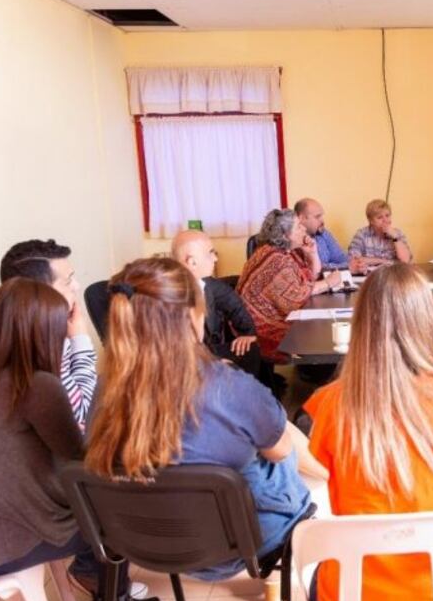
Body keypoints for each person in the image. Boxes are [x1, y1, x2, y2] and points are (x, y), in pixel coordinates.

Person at [0, 278, 158, 601]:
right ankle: (107, 594)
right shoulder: (34, 386)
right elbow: (79, 456)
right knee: (114, 514)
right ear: (41, 329)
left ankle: (102, 586)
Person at [86, 258, 324, 582]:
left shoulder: (102, 392)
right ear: (190, 318)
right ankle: (334, 477)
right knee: (276, 446)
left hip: (141, 542)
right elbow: (282, 452)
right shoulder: (231, 388)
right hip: (243, 541)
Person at [303, 264, 433, 601]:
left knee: (318, 570)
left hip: (350, 597)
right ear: (426, 321)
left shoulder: (328, 405)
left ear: (362, 323)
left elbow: (320, 469)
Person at [0, 239, 96, 430]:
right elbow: (80, 421)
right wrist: (80, 340)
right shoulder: (40, 341)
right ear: (39, 292)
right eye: (68, 281)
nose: (77, 286)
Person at [237, 209, 341, 363]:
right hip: (258, 327)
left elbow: (308, 279)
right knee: (320, 332)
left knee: (324, 328)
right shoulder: (275, 260)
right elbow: (295, 300)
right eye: (298, 226)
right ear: (286, 235)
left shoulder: (284, 252)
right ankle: (318, 372)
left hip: (263, 318)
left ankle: (319, 371)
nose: (304, 229)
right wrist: (328, 283)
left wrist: (312, 254)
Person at [171, 229, 259, 377]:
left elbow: (235, 306)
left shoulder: (208, 285)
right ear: (192, 262)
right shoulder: (168, 296)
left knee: (250, 349)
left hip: (208, 352)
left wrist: (248, 334)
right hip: (181, 364)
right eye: (211, 252)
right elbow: (172, 352)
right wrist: (210, 363)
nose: (215, 259)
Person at [347, 198, 413, 270]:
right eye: (379, 217)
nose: (385, 220)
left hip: (393, 274)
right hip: (369, 276)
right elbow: (354, 260)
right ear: (371, 221)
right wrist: (383, 261)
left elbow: (406, 261)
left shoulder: (397, 233)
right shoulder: (362, 234)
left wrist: (395, 237)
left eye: (387, 215)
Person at [295, 197, 350, 269]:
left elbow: (342, 259)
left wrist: (356, 264)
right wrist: (345, 267)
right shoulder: (294, 239)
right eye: (317, 217)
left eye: (321, 216)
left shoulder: (323, 233)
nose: (322, 221)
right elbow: (312, 269)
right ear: (301, 218)